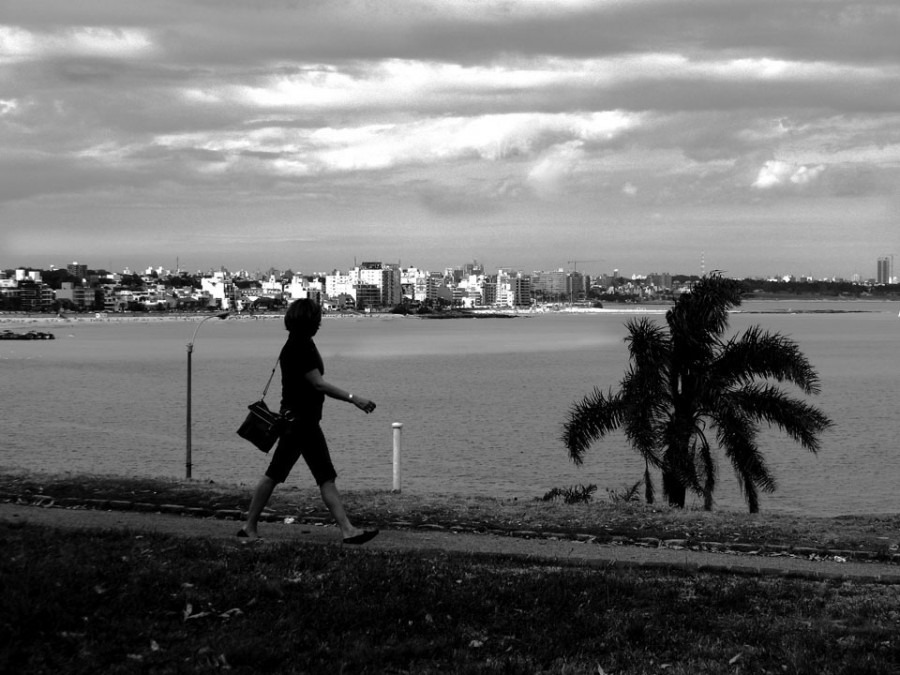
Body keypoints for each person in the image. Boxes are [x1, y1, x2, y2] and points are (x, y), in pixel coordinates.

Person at [238, 298, 379, 545]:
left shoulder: (298, 343)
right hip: (301, 423)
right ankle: (347, 530)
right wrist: (353, 398)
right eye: (317, 320)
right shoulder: (299, 347)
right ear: (308, 322)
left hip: (300, 421)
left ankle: (250, 525)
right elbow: (317, 383)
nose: (320, 325)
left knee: (296, 475)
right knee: (312, 475)